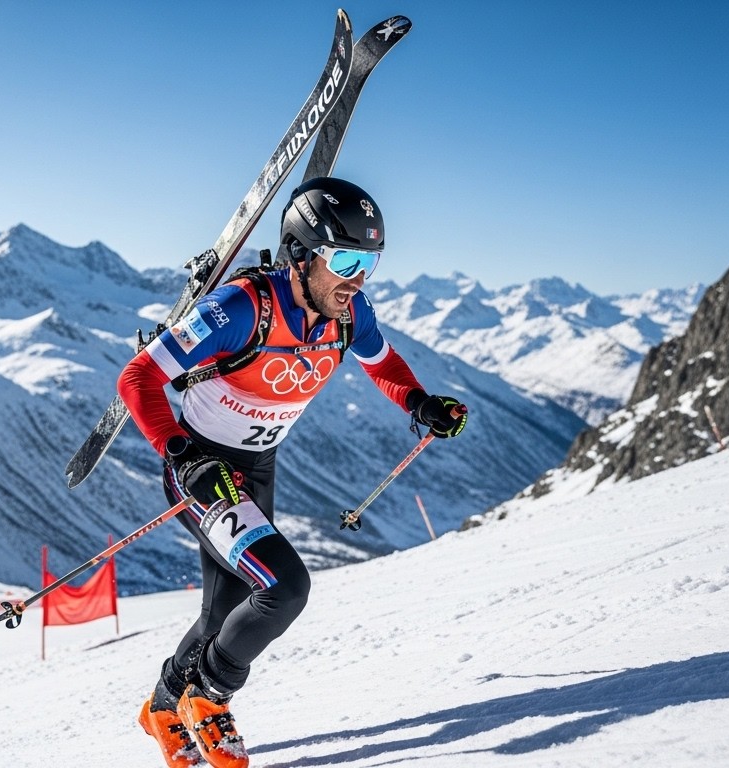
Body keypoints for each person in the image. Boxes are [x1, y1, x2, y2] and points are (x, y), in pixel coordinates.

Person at [120, 177, 468, 768]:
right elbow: (138, 378)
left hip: (256, 468)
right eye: (347, 259)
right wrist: (182, 454)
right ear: (302, 255)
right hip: (203, 470)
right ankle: (208, 698)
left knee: (224, 611)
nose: (358, 278)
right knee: (285, 587)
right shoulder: (240, 309)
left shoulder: (349, 311)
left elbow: (381, 360)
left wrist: (418, 403)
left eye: (371, 262)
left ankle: (161, 707)